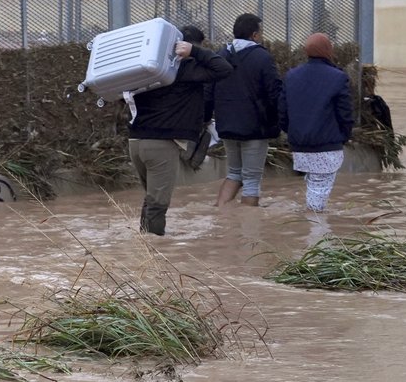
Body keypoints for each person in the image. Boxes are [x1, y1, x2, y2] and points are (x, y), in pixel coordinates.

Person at [128, 25, 232, 236]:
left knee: (151, 198)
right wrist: (195, 52)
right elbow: (224, 69)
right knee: (158, 203)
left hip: (136, 141)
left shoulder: (145, 68)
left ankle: (142, 245)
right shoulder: (182, 68)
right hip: (161, 144)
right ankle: (153, 254)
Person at [212, 13, 283, 207]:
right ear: (254, 35)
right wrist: (279, 119)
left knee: (234, 173)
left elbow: (209, 90)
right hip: (254, 127)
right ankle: (248, 227)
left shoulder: (220, 55)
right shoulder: (262, 57)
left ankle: (221, 215)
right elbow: (274, 92)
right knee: (251, 178)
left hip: (226, 125)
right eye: (261, 32)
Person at [279, 32, 354, 213]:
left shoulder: (291, 76)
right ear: (328, 50)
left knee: (314, 185)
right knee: (319, 194)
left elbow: (282, 110)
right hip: (327, 145)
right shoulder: (338, 77)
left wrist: (292, 132)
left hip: (300, 145)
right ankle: (316, 235)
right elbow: (345, 113)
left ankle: (307, 229)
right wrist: (343, 136)